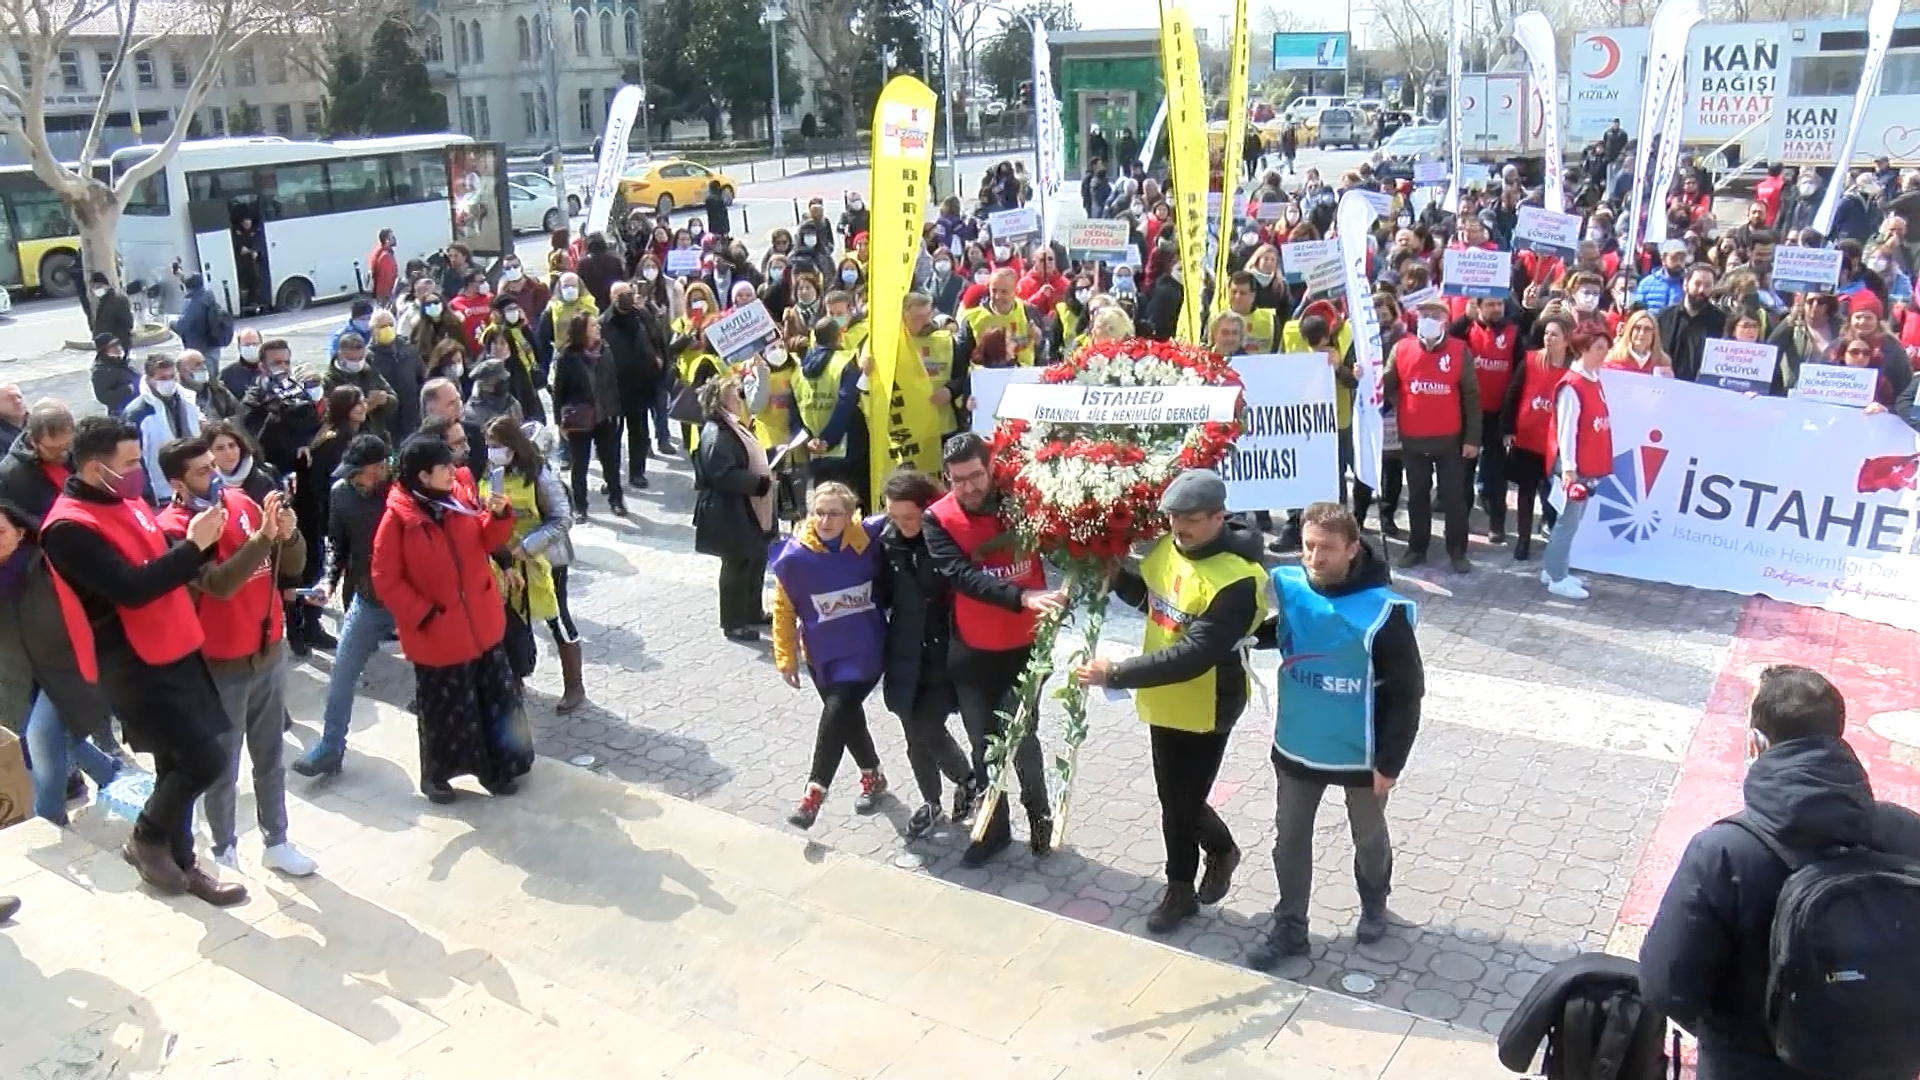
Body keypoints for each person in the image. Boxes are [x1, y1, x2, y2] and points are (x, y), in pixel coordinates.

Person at [1640, 665, 1920, 1080]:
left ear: (1756, 743)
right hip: (1879, 1064)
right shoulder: (1905, 830)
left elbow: (1665, 985)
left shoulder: (1725, 850)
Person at [40, 416, 245, 906]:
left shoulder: (125, 500)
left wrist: (200, 544)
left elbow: (158, 561)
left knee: (176, 760)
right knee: (205, 760)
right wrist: (192, 546)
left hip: (174, 644)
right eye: (130, 463)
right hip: (133, 663)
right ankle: (148, 836)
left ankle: (184, 862)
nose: (138, 471)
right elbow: (131, 589)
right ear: (95, 468)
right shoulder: (68, 527)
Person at [1075, 470, 1271, 934]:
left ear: (1219, 517)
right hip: (1164, 697)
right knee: (1173, 796)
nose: (1179, 529)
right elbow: (1156, 601)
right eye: (1173, 519)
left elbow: (1195, 655)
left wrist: (1115, 673)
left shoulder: (1238, 581)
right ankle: (1199, 868)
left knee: (1183, 801)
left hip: (1208, 702)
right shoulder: (1167, 548)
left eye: (1191, 521)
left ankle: (1185, 883)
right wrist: (1119, 577)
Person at [1247, 502, 1423, 968]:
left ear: (1351, 548)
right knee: (1289, 837)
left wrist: (1390, 763)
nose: (1313, 557)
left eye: (1325, 548)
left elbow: (1408, 695)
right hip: (1298, 743)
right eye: (1307, 546)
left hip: (1360, 755)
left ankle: (1374, 901)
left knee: (1367, 836)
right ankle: (1290, 928)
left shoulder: (1385, 613)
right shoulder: (1289, 586)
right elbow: (1279, 631)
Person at [154, 436, 316, 877]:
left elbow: (290, 563)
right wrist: (264, 537)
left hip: (266, 652)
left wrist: (289, 532)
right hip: (218, 663)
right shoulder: (176, 528)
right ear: (178, 483)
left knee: (270, 757)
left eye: (214, 465)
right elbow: (220, 584)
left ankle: (276, 839)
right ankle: (224, 847)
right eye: (203, 471)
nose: (216, 474)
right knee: (222, 765)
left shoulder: (243, 502)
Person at [924, 433, 1065, 863]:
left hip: (1026, 650)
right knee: (983, 743)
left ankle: (1040, 816)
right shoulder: (938, 519)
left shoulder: (1024, 501)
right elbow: (961, 576)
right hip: (972, 652)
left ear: (991, 468)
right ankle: (994, 828)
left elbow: (1062, 542)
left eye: (976, 476)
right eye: (958, 479)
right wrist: (1019, 597)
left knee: (1020, 737)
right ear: (946, 478)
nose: (968, 487)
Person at [371, 434, 531, 803]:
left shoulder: (460, 498)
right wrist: (424, 615)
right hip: (438, 635)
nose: (453, 470)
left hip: (482, 625)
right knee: (447, 712)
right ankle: (438, 777)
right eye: (444, 466)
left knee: (496, 702)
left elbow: (487, 540)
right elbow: (385, 580)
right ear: (423, 477)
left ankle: (499, 770)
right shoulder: (398, 520)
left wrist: (500, 515)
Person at [771, 482, 890, 827]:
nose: (825, 520)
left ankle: (814, 793)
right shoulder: (795, 556)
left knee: (838, 711)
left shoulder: (867, 537)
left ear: (851, 514)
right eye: (819, 513)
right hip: (822, 655)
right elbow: (783, 609)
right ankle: (873, 776)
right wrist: (786, 658)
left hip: (865, 649)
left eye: (834, 513)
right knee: (846, 719)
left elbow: (907, 507)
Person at [0, 500, 121, 825]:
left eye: (0, 532)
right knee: (59, 737)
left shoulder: (47, 564)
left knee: (41, 738)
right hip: (20, 678)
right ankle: (112, 775)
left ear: (20, 531)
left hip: (69, 669)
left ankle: (49, 817)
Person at [874, 470, 977, 840]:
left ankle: (966, 779)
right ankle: (931, 802)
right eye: (894, 517)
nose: (902, 525)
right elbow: (880, 593)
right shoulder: (886, 542)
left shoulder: (943, 541)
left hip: (940, 650)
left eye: (910, 518)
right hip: (902, 651)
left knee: (927, 727)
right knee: (913, 735)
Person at [290, 434, 390, 777]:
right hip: (368, 597)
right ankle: (331, 747)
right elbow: (336, 543)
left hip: (412, 598)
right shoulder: (341, 494)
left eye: (359, 473)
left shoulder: (400, 492)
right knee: (342, 674)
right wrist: (328, 581)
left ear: (379, 469)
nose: (352, 479)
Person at [480, 415, 584, 711]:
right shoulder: (491, 474)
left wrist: (527, 547)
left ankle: (574, 686)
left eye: (496, 445)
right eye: (489, 446)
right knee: (508, 619)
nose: (492, 452)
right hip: (504, 562)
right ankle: (515, 679)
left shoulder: (540, 475)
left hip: (545, 560)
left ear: (513, 446)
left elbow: (562, 518)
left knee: (556, 617)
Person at [1383, 297, 1479, 573]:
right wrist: (1364, 375)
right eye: (1424, 314)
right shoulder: (1402, 349)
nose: (1429, 320)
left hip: (1450, 440)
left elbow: (1472, 397)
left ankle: (1457, 551)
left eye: (1435, 315)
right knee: (1416, 497)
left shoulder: (1460, 351)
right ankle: (1417, 547)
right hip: (1413, 440)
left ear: (1445, 320)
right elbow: (1385, 383)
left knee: (1454, 498)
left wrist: (1472, 439)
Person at [692, 375, 774, 642]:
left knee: (755, 559)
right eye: (736, 395)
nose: (741, 399)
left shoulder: (732, 426)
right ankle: (733, 622)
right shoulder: (717, 432)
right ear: (723, 401)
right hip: (729, 510)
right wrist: (758, 484)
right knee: (736, 565)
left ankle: (752, 611)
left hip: (746, 507)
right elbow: (722, 474)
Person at [1502, 315, 1571, 561]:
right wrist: (1508, 429)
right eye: (1546, 334)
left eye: (1554, 334)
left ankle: (1553, 535)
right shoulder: (1531, 361)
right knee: (1526, 492)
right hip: (1527, 438)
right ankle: (1523, 540)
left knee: (1552, 493)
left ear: (1566, 340)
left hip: (1556, 444)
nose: (1548, 338)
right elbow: (1513, 394)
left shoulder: (1572, 371)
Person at [551, 311, 626, 519]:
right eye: (593, 326)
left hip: (605, 416)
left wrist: (615, 412)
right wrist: (560, 422)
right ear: (582, 331)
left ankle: (616, 500)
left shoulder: (605, 350)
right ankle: (580, 506)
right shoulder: (567, 356)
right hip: (579, 418)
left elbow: (612, 384)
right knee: (580, 464)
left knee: (610, 461)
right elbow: (559, 391)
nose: (598, 328)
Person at [601, 281, 663, 490]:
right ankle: (611, 477)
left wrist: (657, 359)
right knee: (611, 439)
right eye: (621, 295)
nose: (626, 298)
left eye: (628, 293)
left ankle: (637, 473)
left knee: (639, 433)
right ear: (612, 298)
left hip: (639, 386)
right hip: (614, 389)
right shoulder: (603, 323)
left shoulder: (642, 315)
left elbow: (657, 339)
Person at [124, 353, 202, 503]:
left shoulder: (187, 400)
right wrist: (146, 495)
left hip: (193, 484)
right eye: (162, 379)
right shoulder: (137, 413)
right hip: (160, 491)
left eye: (172, 377)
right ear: (149, 379)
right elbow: (134, 457)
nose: (169, 382)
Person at [367, 309, 426, 436]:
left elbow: (422, 378)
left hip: (412, 415)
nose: (387, 329)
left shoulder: (409, 350)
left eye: (390, 325)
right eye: (382, 326)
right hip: (386, 421)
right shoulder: (369, 358)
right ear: (373, 330)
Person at [178, 350, 239, 421]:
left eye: (204, 363)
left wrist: (227, 423)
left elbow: (238, 413)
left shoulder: (218, 388)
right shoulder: (178, 396)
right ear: (183, 371)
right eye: (198, 364)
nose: (204, 367)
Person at [91, 333, 139, 416]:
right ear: (104, 350)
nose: (118, 347)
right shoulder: (101, 371)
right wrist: (128, 389)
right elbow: (103, 396)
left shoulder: (120, 362)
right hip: (121, 411)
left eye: (118, 344)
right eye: (113, 345)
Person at [369, 229, 399, 305]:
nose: (395, 239)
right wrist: (390, 296)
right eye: (392, 237)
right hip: (385, 295)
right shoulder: (385, 256)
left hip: (382, 294)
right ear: (387, 240)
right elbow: (386, 278)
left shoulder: (380, 251)